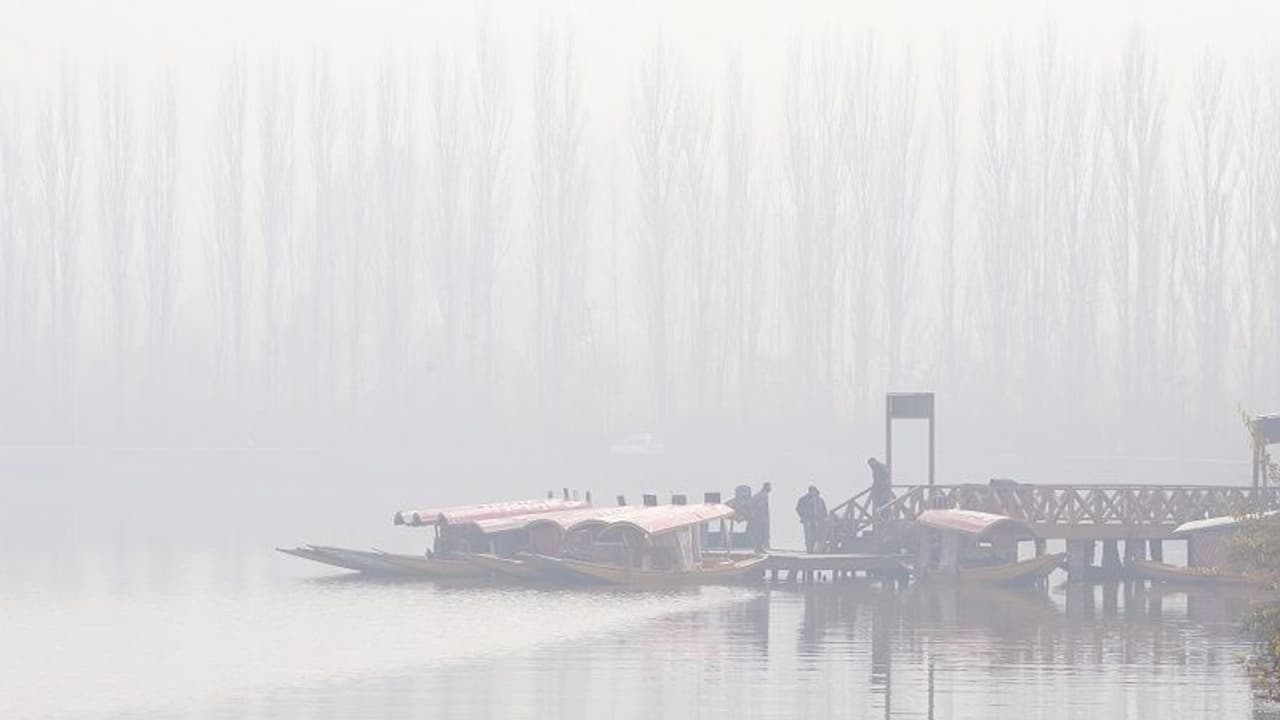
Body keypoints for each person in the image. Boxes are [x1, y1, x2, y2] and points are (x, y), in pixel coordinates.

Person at [795, 485, 828, 553]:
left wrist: (825, 518)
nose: (813, 493)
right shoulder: (803, 499)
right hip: (808, 520)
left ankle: (815, 549)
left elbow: (824, 510)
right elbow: (798, 508)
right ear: (809, 491)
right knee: (808, 535)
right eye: (812, 491)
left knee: (816, 535)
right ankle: (809, 550)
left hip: (818, 520)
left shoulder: (820, 500)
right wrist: (803, 516)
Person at [748, 482, 772, 551]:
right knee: (762, 533)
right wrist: (756, 512)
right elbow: (761, 505)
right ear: (766, 487)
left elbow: (751, 503)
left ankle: (758, 548)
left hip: (757, 518)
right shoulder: (764, 495)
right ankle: (759, 548)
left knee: (758, 533)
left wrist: (753, 512)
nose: (771, 489)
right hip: (761, 518)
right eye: (770, 487)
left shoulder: (758, 494)